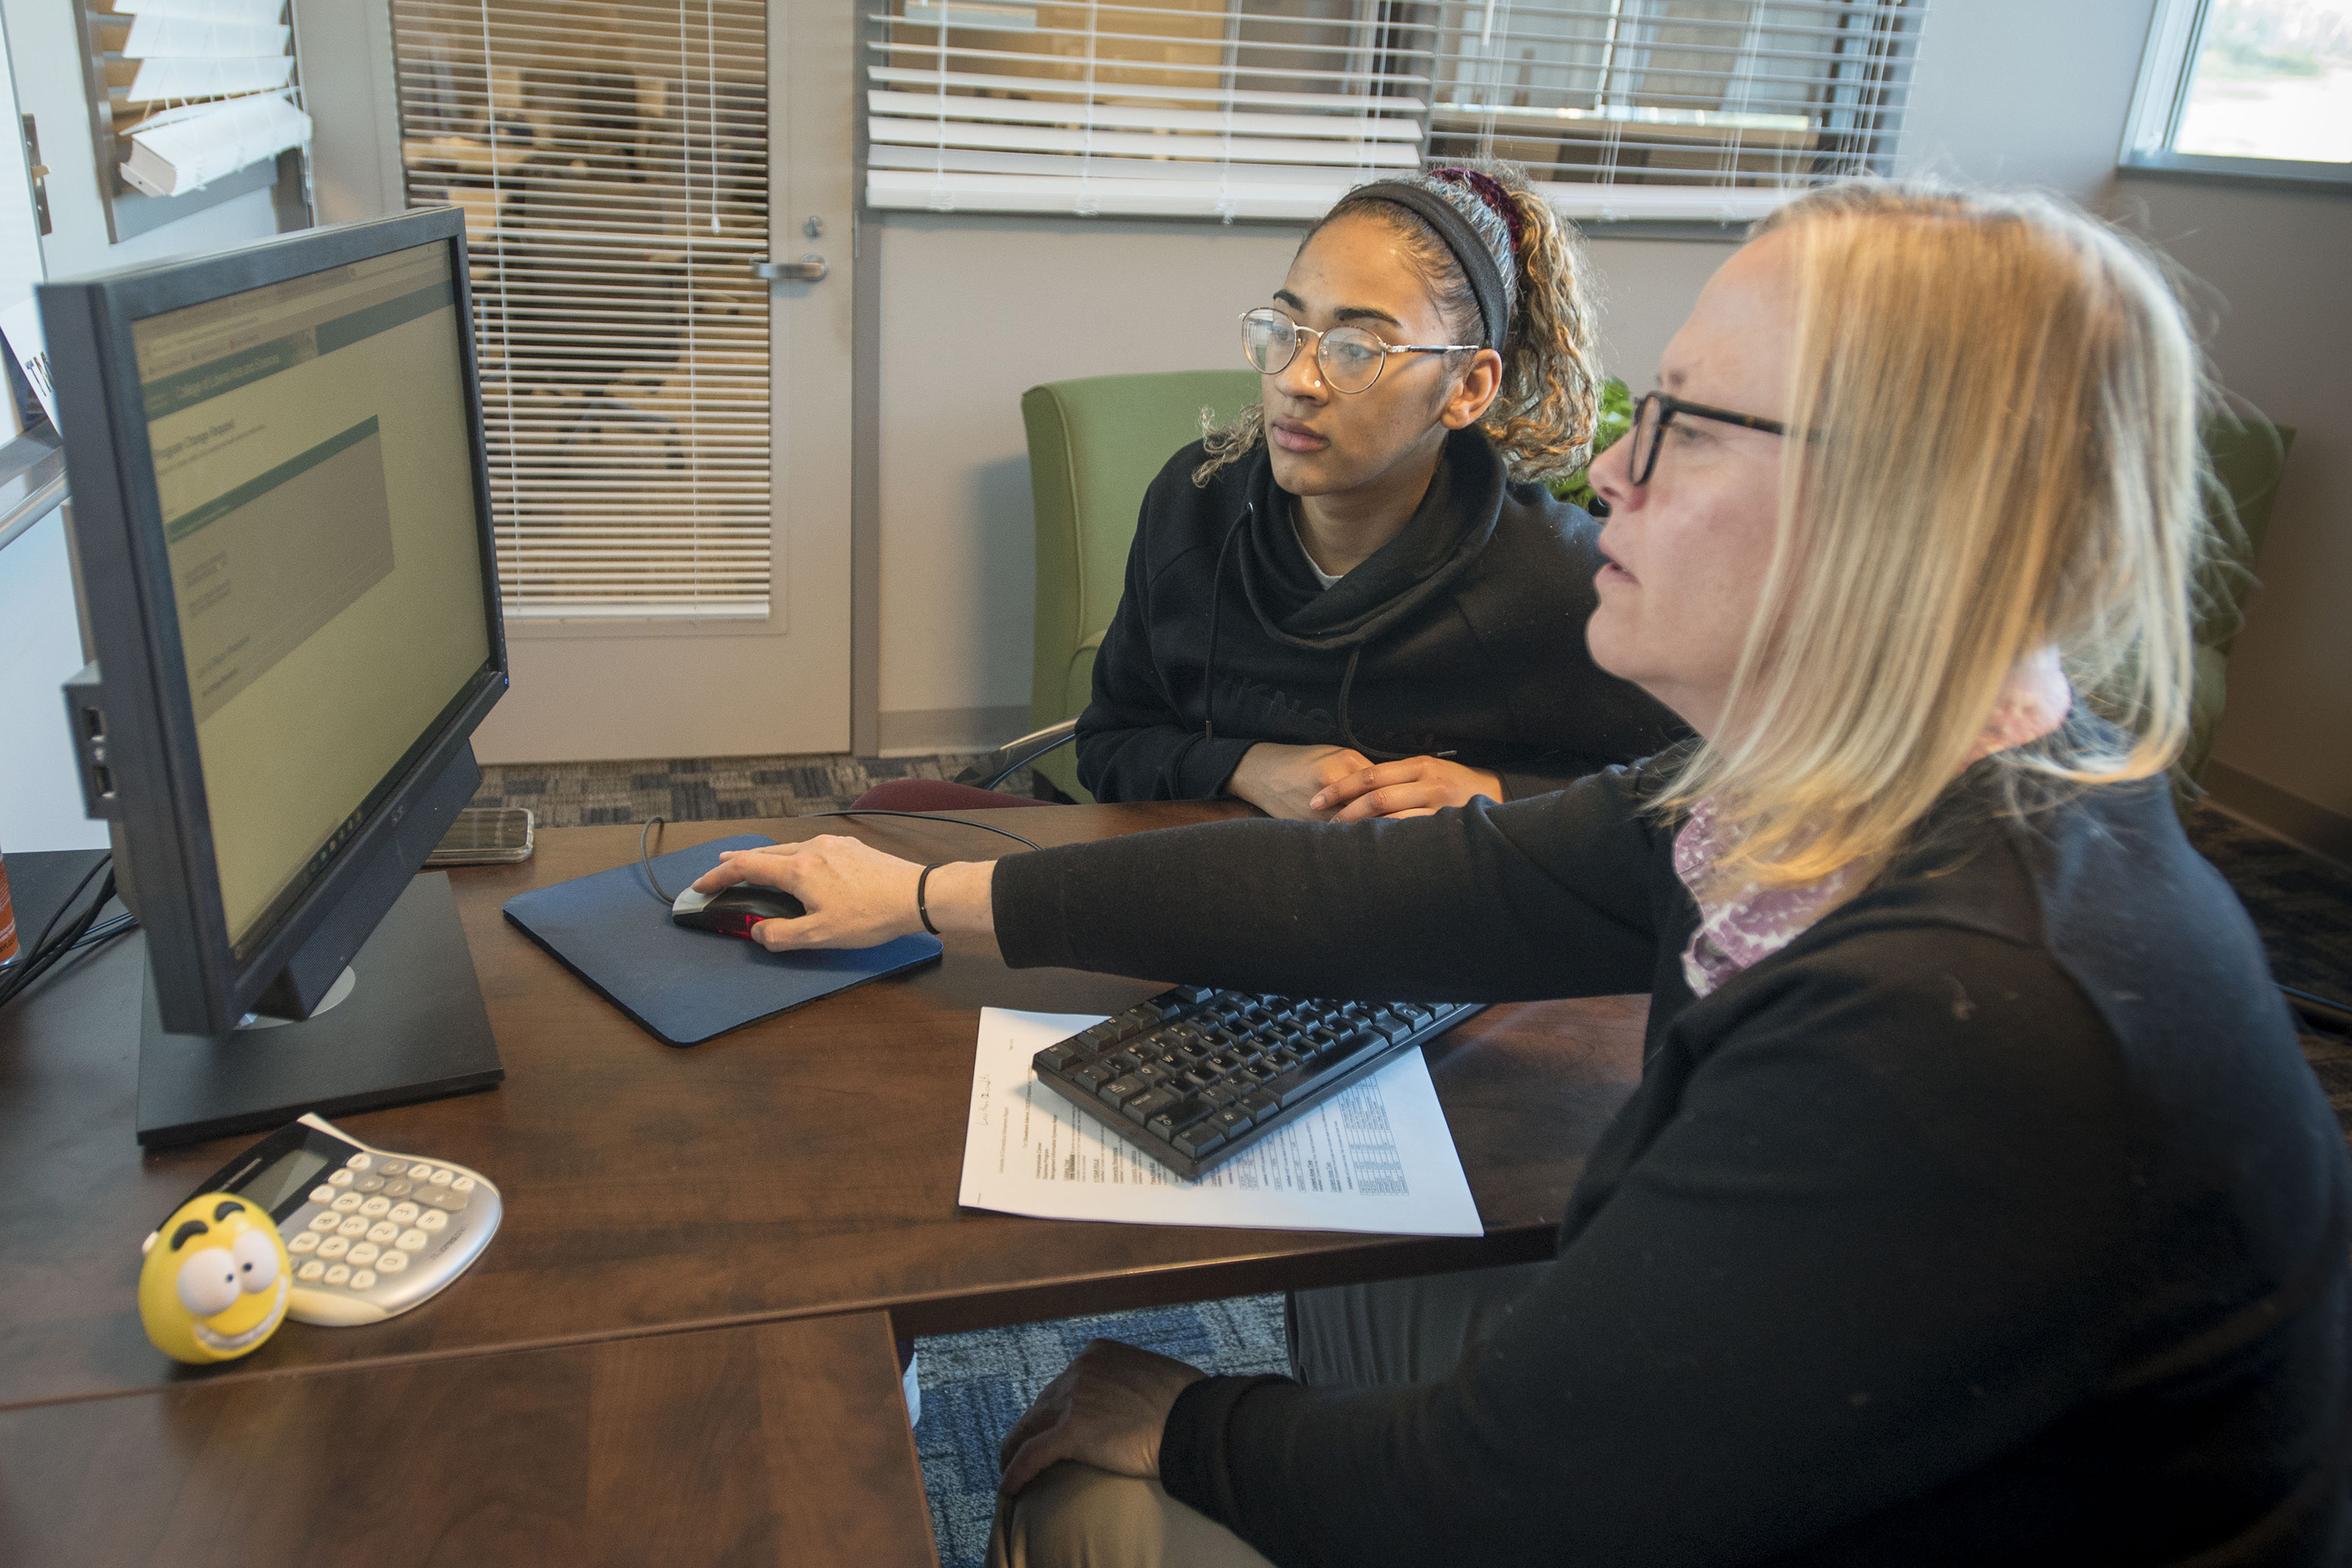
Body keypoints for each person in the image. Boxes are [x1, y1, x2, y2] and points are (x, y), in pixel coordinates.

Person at [688, 184, 2352, 1563]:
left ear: (1900, 513)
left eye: (1687, 430)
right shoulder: (1848, 785)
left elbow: (1507, 1501)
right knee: (1378, 1307)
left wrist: (1176, 1414)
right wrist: (920, 895)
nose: (1615, 470)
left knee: (1080, 1491)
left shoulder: (1959, 1017)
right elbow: (1382, 896)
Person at [1073, 164, 1679, 821]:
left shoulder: (1558, 580)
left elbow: (1704, 788)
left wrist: (1495, 791)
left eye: (1356, 348)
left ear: (1468, 388)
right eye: (1285, 329)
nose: (1298, 380)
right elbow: (1110, 744)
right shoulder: (1194, 506)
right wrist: (1245, 767)